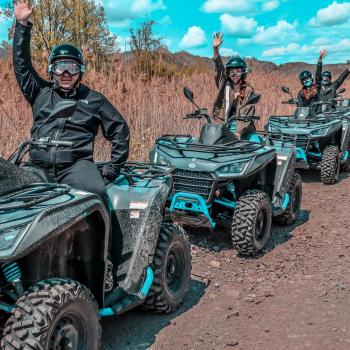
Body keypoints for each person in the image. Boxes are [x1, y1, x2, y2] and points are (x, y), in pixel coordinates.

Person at [13, 0, 130, 208]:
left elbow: (120, 130)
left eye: (72, 68)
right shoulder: (40, 92)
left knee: (96, 198)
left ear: (80, 72)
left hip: (77, 168)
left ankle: (107, 240)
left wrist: (112, 169)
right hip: (37, 167)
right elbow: (22, 66)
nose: (66, 74)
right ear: (52, 70)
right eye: (60, 67)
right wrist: (22, 24)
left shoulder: (94, 99)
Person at [212, 32, 258, 139]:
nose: (234, 75)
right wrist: (215, 50)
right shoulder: (225, 86)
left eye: (238, 71)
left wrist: (238, 134)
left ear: (243, 73)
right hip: (224, 127)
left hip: (244, 130)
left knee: (254, 141)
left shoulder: (248, 90)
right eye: (231, 72)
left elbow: (246, 115)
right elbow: (219, 69)